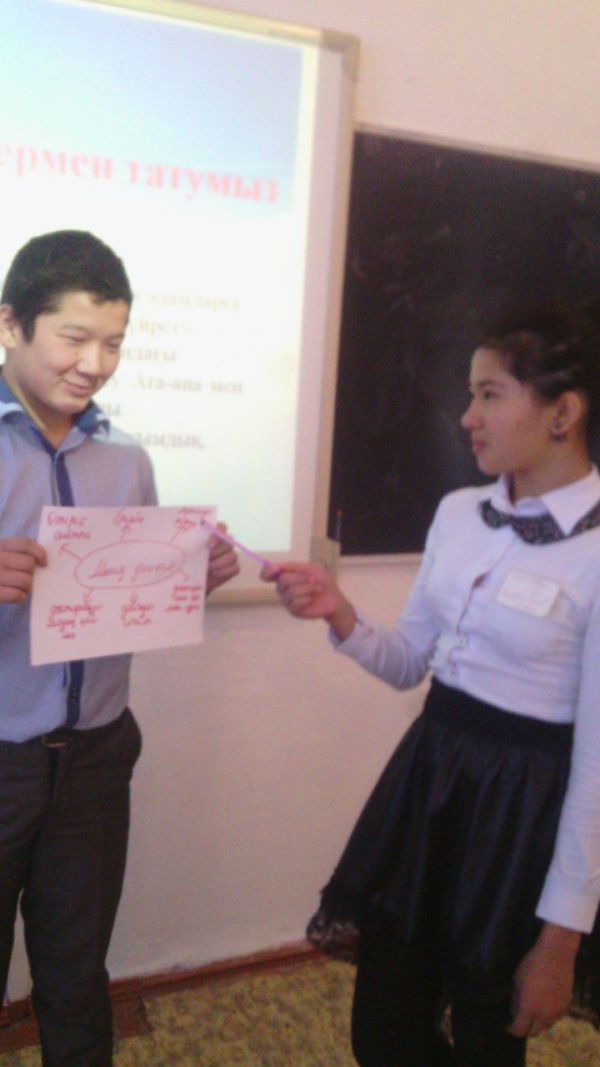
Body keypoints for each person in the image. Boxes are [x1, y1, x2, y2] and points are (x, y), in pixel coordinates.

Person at [263, 300, 600, 1066]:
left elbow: (596, 769)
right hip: (430, 786)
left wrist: (561, 939)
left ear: (563, 412)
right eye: (470, 394)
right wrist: (338, 611)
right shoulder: (458, 513)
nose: (466, 417)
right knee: (384, 1030)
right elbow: (412, 659)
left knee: (486, 1038)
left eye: (489, 394)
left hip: (522, 817)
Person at [0, 230, 239, 1066]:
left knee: (76, 977)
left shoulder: (128, 459)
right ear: (10, 324)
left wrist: (184, 583)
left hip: (95, 759)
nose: (95, 364)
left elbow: (120, 606)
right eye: (75, 338)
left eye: (114, 343)